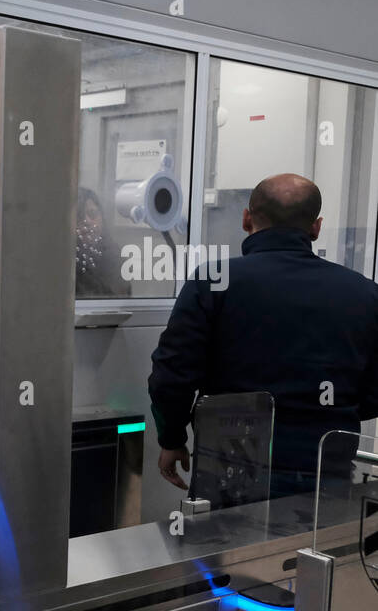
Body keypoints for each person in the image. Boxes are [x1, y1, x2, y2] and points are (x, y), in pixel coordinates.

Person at [149, 173, 378, 500]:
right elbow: (373, 392)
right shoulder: (365, 294)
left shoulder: (214, 282)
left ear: (246, 219)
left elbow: (171, 375)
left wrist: (171, 438)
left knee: (226, 551)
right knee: (315, 550)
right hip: (327, 475)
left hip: (229, 472)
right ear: (316, 227)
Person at [75, 187, 128, 298]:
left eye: (93, 214)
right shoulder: (64, 261)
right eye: (79, 216)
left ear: (102, 218)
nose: (87, 221)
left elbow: (121, 301)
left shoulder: (113, 255)